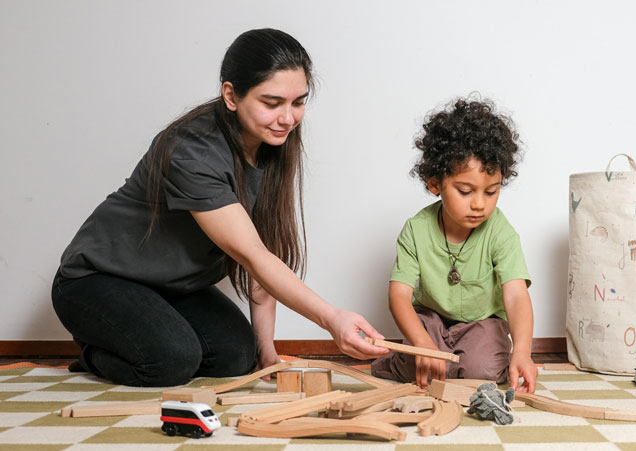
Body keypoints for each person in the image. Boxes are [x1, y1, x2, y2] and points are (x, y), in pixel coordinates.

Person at [52, 28, 388, 387]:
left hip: (171, 288)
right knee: (170, 361)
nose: (288, 118)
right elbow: (253, 255)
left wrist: (267, 352)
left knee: (237, 357)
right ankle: (96, 351)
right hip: (97, 279)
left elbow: (265, 251)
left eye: (298, 102)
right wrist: (331, 318)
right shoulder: (191, 149)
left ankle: (155, 335)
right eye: (271, 103)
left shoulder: (273, 140)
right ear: (231, 95)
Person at [371, 97, 538, 392]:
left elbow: (515, 296)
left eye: (491, 192)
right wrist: (422, 343)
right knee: (423, 366)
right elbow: (398, 295)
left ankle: (457, 362)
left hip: (482, 323)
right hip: (430, 320)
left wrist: (522, 352)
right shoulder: (415, 229)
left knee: (483, 371)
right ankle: (397, 361)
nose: (479, 204)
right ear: (435, 183)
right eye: (465, 191)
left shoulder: (500, 231)